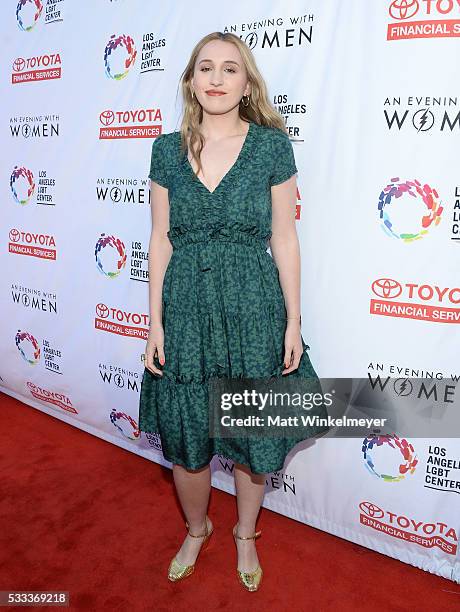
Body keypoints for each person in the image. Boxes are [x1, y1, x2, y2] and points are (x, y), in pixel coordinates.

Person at [138, 31, 328, 592]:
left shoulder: (271, 146)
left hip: (252, 303)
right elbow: (159, 240)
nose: (216, 79)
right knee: (189, 429)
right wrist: (155, 322)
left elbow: (286, 239)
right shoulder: (164, 150)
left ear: (247, 84)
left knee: (249, 428)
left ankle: (246, 533)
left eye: (229, 69)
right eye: (205, 69)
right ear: (191, 82)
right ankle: (197, 528)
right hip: (187, 307)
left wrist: (294, 321)